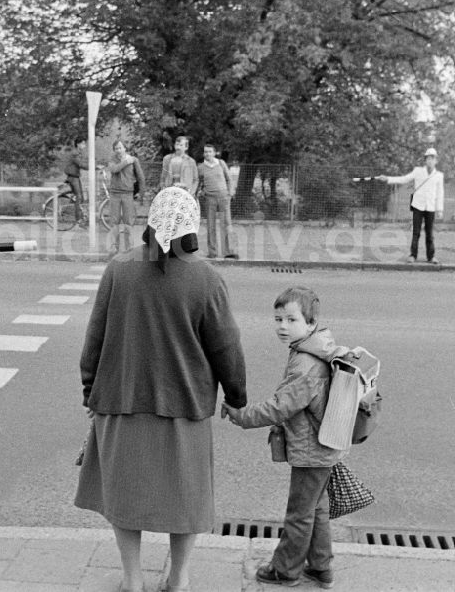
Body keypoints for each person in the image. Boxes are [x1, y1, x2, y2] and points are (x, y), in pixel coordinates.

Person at [75, 187, 248, 592]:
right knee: (185, 499)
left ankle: (133, 581)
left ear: (151, 220)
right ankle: (179, 579)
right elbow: (226, 347)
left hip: (120, 401)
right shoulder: (206, 279)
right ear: (193, 225)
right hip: (184, 405)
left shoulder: (119, 269)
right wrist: (236, 398)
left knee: (125, 496)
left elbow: (94, 339)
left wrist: (89, 391)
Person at [222, 287, 347, 589]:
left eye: (291, 320)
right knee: (315, 510)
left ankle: (285, 570)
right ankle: (320, 568)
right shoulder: (316, 347)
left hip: (311, 450)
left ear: (311, 322)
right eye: (278, 319)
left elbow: (280, 407)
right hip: (323, 445)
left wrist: (242, 415)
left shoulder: (306, 364)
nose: (282, 326)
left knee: (299, 514)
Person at [375, 147, 445, 264]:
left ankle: (431, 256)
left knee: (429, 233)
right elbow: (404, 179)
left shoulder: (439, 175)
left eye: (432, 159)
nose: (430, 161)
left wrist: (440, 209)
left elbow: (440, 193)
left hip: (431, 207)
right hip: (418, 205)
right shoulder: (418, 171)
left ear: (436, 161)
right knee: (416, 232)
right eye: (428, 158)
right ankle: (413, 255)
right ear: (425, 160)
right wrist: (388, 179)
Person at [105, 140, 146, 256]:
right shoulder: (113, 160)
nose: (118, 150)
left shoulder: (134, 161)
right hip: (115, 194)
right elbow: (114, 169)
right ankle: (114, 249)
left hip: (128, 193)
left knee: (129, 221)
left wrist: (141, 192)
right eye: (116, 148)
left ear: (125, 148)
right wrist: (126, 161)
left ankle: (129, 250)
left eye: (120, 148)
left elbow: (140, 177)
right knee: (114, 221)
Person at [197, 143, 236, 259]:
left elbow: (229, 179)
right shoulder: (201, 167)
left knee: (227, 223)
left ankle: (228, 251)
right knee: (211, 226)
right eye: (205, 152)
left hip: (224, 197)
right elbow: (198, 183)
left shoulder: (221, 163)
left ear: (214, 153)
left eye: (210, 151)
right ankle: (212, 253)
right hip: (210, 199)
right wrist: (201, 192)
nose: (207, 154)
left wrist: (230, 193)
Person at [63, 137, 91, 225]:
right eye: (83, 143)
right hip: (73, 177)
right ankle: (78, 219)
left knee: (81, 197)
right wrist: (93, 167)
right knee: (79, 196)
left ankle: (80, 216)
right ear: (78, 144)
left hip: (75, 177)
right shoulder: (75, 153)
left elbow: (83, 163)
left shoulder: (78, 152)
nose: (84, 145)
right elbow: (81, 164)